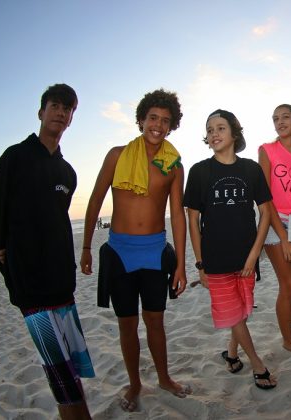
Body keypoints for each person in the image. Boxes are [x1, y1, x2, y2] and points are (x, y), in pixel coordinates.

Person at [0, 84, 94, 419]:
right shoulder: (14, 157)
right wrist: (4, 253)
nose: (61, 113)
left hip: (62, 282)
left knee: (72, 366)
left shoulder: (67, 172)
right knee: (59, 372)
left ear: (71, 119)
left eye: (68, 109)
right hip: (31, 286)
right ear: (41, 112)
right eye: (55, 106)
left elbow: (57, 222)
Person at [80, 89, 190, 412]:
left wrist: (181, 264)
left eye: (165, 121)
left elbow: (178, 215)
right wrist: (86, 246)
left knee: (155, 321)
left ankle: (165, 378)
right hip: (119, 252)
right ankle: (135, 383)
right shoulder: (117, 155)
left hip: (154, 252)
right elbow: (95, 200)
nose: (158, 125)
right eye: (153, 118)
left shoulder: (173, 165)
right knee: (126, 324)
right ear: (141, 120)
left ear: (172, 126)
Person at [184, 109, 277, 390]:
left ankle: (232, 353)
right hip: (215, 258)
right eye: (210, 129)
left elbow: (266, 214)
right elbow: (193, 219)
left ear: (234, 134)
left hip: (247, 257)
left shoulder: (251, 169)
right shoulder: (200, 171)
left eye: (220, 128)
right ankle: (258, 365)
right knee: (234, 314)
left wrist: (254, 255)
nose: (214, 133)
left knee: (243, 311)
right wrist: (200, 264)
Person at [258, 104, 291, 354]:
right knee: (288, 286)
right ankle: (288, 340)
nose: (280, 122)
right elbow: (264, 197)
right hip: (274, 221)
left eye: (285, 117)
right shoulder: (267, 150)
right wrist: (283, 237)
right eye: (275, 118)